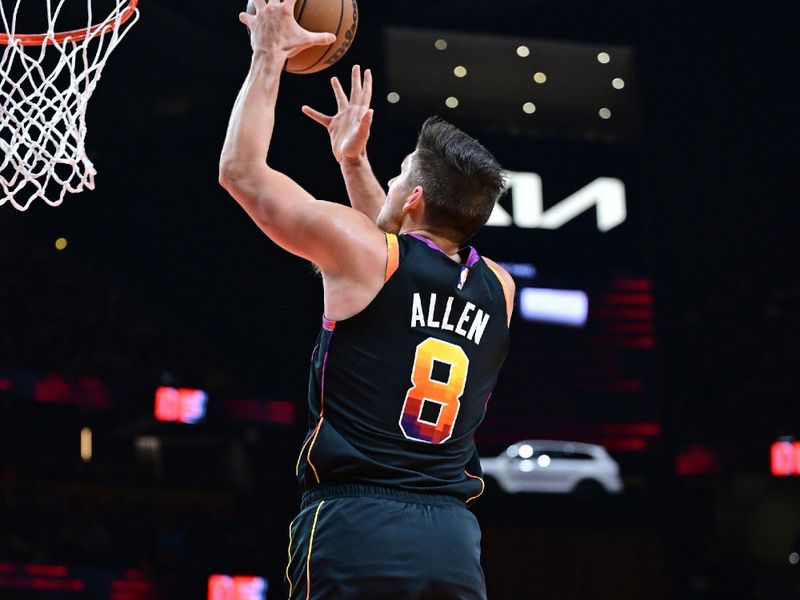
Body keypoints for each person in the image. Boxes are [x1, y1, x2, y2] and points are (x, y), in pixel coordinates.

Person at [219, 1, 514, 598]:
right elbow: (395, 257)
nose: (396, 178)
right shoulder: (500, 290)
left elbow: (242, 173)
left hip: (357, 525)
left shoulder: (368, 254)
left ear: (414, 199)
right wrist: (353, 163)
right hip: (454, 543)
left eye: (402, 172)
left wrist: (268, 55)